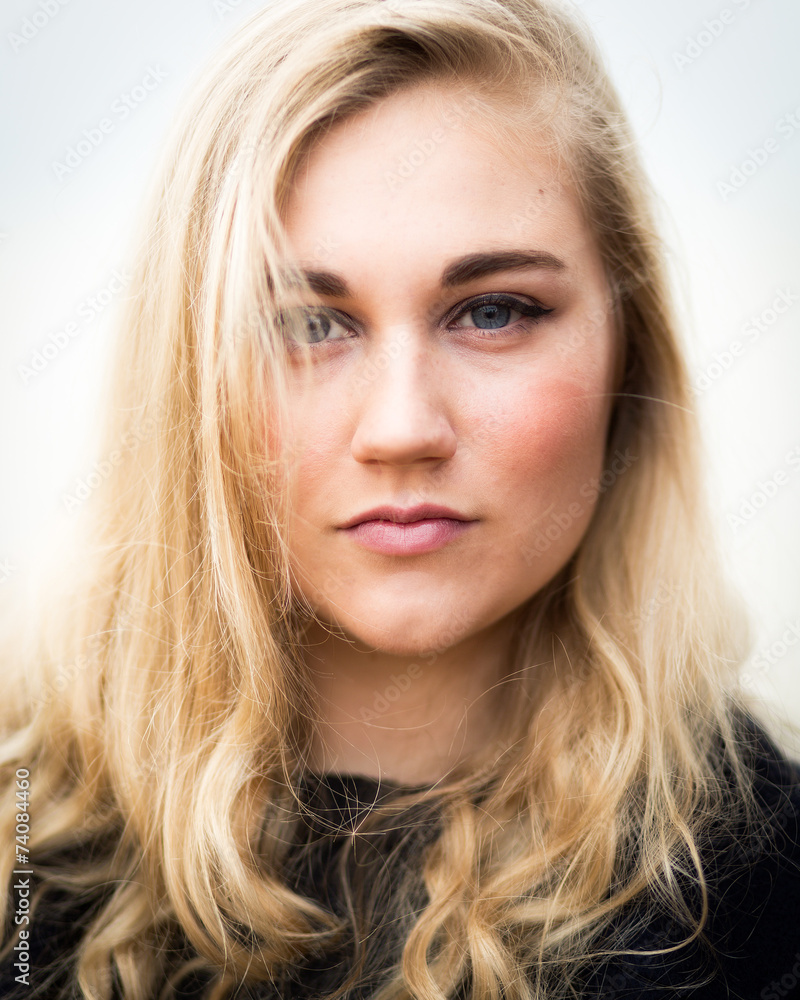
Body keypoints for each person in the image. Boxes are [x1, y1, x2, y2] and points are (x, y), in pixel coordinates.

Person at [1, 0, 799, 997]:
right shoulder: (23, 846)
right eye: (305, 323)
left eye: (493, 311)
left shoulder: (768, 887)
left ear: (627, 343)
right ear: (186, 376)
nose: (400, 428)